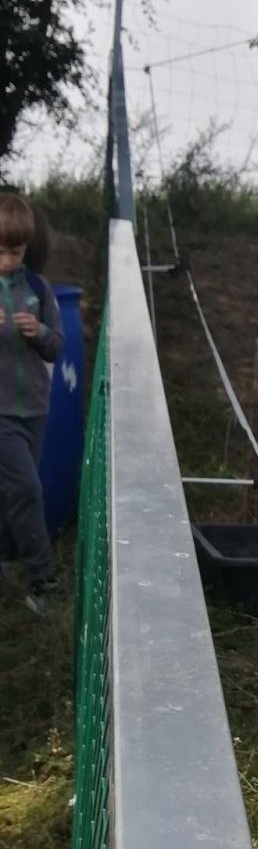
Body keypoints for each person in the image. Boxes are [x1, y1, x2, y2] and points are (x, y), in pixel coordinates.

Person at [0, 191, 64, 615]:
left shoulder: (39, 289)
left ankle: (4, 561)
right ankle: (44, 580)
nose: (7, 261)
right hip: (1, 411)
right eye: (0, 251)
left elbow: (57, 347)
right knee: (26, 488)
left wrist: (39, 332)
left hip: (36, 408)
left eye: (16, 251)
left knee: (13, 492)